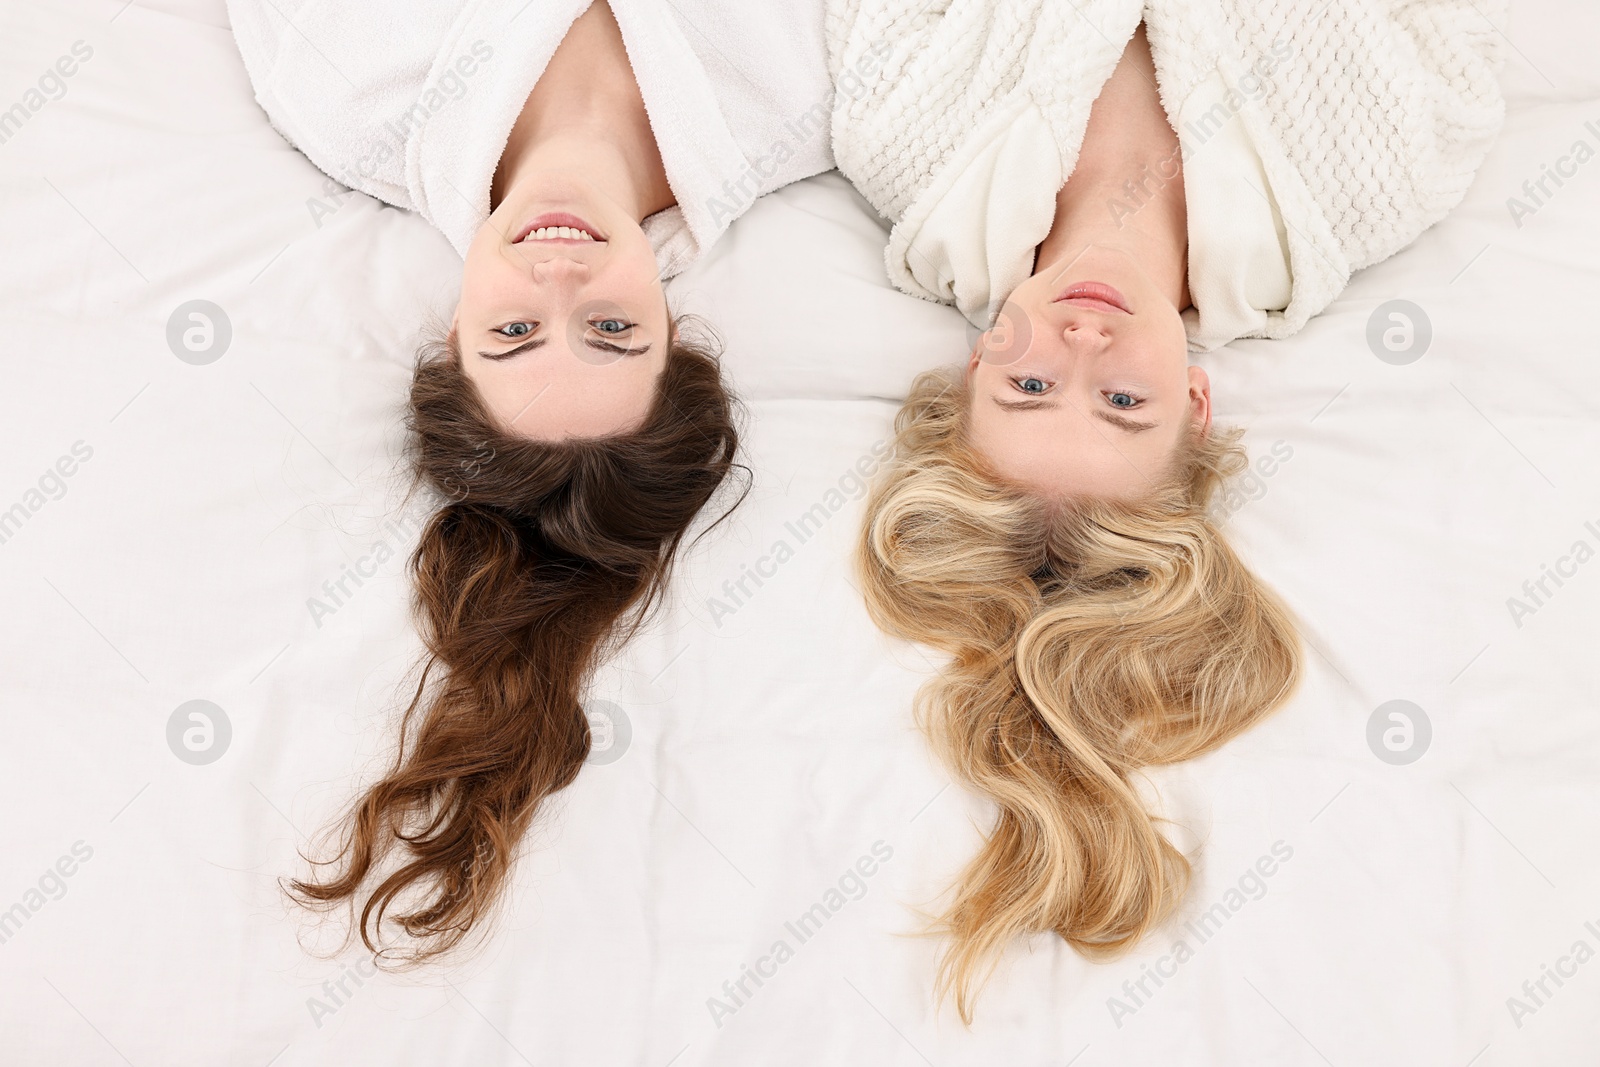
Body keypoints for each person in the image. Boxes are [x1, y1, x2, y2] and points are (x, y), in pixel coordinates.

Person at [829, 0, 1505, 1020]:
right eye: (1121, 404)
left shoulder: (903, 136)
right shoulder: (1369, 181)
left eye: (1026, 389)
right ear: (1194, 405)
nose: (1080, 348)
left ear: (974, 364)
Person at [226, 0, 832, 961]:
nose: (559, 280)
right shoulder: (806, 93)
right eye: (610, 331)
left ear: (453, 341)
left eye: (513, 335)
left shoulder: (344, 90)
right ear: (673, 337)